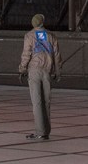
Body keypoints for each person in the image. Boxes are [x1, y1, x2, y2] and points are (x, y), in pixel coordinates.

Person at [18, 13, 61, 141]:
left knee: (37, 102)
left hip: (34, 70)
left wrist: (22, 69)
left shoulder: (29, 35)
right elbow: (57, 55)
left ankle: (40, 132)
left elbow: (26, 54)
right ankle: (46, 131)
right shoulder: (51, 36)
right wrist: (58, 72)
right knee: (46, 101)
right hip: (47, 71)